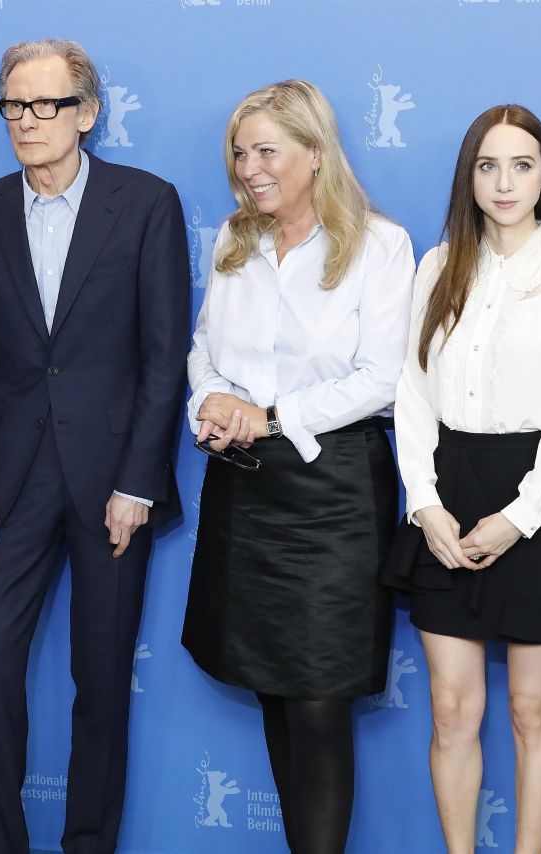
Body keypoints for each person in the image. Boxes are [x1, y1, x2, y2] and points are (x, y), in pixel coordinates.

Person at [0, 39, 189, 854]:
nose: (27, 121)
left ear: (87, 114)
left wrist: (139, 481)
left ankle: (89, 844)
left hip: (114, 482)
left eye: (45, 105)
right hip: (8, 483)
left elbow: (164, 358)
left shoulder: (148, 202)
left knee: (103, 681)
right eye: (14, 105)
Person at [182, 79, 414, 854]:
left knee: (318, 703)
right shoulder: (231, 239)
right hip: (244, 491)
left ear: (315, 154)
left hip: (333, 496)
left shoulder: (380, 244)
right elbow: (204, 352)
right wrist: (211, 405)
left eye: (267, 150)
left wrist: (272, 419)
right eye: (240, 153)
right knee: (276, 695)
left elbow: (382, 378)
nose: (250, 167)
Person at [382, 105, 541, 854]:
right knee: (451, 707)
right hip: (448, 490)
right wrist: (423, 503)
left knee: (528, 710)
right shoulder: (438, 264)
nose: (504, 182)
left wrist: (518, 517)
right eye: (488, 166)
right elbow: (412, 397)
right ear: (469, 177)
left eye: (521, 166)